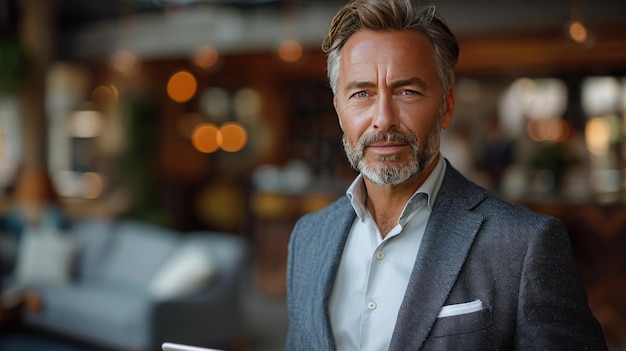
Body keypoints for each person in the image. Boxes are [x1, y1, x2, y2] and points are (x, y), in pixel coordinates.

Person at [285, 0, 608, 350]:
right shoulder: (308, 238)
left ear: (446, 106)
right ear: (339, 110)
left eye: (407, 91)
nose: (383, 118)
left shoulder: (523, 246)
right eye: (361, 93)